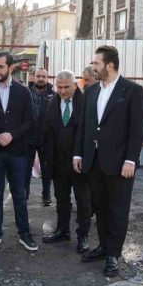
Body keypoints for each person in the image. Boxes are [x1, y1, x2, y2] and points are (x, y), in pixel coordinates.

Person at [74, 45, 143, 277]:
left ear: (110, 65)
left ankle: (114, 254)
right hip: (94, 162)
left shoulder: (133, 91)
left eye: (96, 63)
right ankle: (104, 246)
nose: (93, 67)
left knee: (118, 209)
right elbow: (84, 126)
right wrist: (78, 154)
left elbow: (137, 130)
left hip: (119, 164)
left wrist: (130, 160)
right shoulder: (91, 91)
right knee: (101, 208)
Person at [0, 51, 38, 252]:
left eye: (0, 67)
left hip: (17, 153)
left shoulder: (23, 91)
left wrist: (11, 135)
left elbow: (30, 120)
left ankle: (24, 234)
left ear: (11, 68)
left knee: (19, 194)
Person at [42, 70, 91, 253]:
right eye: (59, 87)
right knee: (61, 199)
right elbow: (46, 132)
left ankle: (83, 236)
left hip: (80, 164)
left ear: (75, 85)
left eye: (66, 87)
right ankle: (63, 230)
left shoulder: (86, 103)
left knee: (83, 201)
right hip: (58, 162)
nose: (62, 91)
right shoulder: (51, 103)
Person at [26, 68, 54, 206]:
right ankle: (25, 194)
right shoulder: (25, 94)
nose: (41, 78)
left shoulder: (53, 95)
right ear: (33, 78)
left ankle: (46, 195)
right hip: (28, 138)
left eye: (44, 76)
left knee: (46, 169)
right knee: (26, 168)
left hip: (46, 139)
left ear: (47, 78)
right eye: (38, 76)